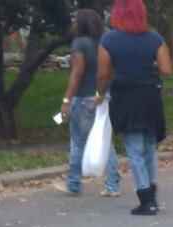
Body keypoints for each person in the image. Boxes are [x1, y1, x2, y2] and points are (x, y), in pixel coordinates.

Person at [96, 0, 171, 215]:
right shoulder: (154, 38)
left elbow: (103, 74)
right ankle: (152, 196)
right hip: (150, 96)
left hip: (125, 97)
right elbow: (166, 69)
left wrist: (100, 93)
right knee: (149, 148)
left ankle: (145, 199)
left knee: (134, 150)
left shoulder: (109, 40)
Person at [57, 8, 120, 198]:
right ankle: (112, 184)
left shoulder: (80, 43)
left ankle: (74, 184)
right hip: (103, 96)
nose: (73, 23)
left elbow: (77, 74)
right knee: (105, 141)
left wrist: (66, 100)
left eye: (76, 20)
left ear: (81, 23)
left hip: (83, 98)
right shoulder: (106, 41)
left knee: (77, 142)